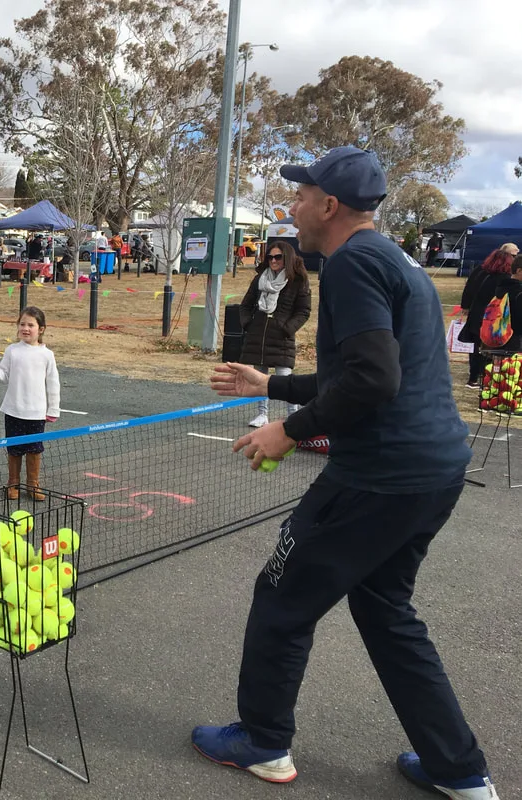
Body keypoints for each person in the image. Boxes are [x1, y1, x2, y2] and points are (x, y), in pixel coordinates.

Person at [200, 146, 499, 799]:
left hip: (379, 477)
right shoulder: (392, 259)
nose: (292, 208)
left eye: (300, 197)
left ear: (328, 205)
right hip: (433, 468)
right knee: (384, 606)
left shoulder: (352, 264)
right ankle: (458, 771)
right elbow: (354, 374)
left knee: (282, 597)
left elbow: (371, 380)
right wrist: (272, 384)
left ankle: (261, 741)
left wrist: (288, 429)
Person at [0, 306, 61, 501]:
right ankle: (13, 483)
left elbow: (53, 383)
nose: (25, 328)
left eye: (30, 325)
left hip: (36, 413)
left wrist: (53, 409)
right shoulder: (12, 350)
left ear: (41, 329)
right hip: (13, 410)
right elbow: (4, 376)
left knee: (34, 449)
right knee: (14, 449)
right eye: (22, 324)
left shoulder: (47, 355)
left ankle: (33, 484)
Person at [238, 240, 312, 428]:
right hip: (258, 337)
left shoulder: (298, 281)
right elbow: (246, 305)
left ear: (286, 257)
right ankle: (262, 415)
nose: (273, 260)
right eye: (270, 257)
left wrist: (287, 328)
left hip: (282, 338)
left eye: (278, 257)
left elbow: (303, 311)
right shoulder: (260, 279)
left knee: (286, 380)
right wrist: (248, 324)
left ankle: (293, 416)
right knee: (259, 378)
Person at [459, 244, 518, 387]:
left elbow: (469, 289)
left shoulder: (480, 271)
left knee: (476, 348)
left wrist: (466, 306)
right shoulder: (504, 279)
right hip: (492, 318)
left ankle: (473, 378)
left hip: (476, 314)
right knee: (490, 349)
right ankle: (485, 378)